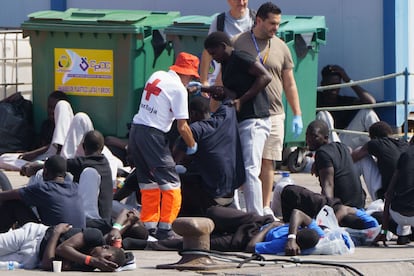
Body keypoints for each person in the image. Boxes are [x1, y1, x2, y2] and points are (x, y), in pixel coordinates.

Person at [232, 2, 303, 218]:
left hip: (274, 114)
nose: (276, 28)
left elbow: (289, 83)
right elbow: (223, 74)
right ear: (259, 20)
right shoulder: (239, 42)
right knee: (247, 162)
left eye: (278, 24)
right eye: (272, 23)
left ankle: (264, 207)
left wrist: (297, 113)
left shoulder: (281, 46)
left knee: (268, 161)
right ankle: (245, 207)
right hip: (248, 113)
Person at [128, 52, 199, 240]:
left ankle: (149, 228)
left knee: (148, 182)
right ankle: (167, 229)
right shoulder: (179, 89)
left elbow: (163, 96)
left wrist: (185, 91)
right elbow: (182, 126)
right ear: (188, 74)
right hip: (153, 135)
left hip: (136, 131)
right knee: (172, 185)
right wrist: (192, 145)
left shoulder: (157, 75)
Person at [203, 31, 272, 215]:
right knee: (236, 168)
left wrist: (242, 100)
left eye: (214, 52)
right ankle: (236, 210)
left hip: (255, 120)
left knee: (250, 169)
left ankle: (256, 216)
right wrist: (216, 91)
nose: (213, 57)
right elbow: (233, 92)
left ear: (224, 46)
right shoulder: (225, 65)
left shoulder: (240, 57)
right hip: (241, 121)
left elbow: (265, 76)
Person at [21, 130, 114, 227]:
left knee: (40, 174)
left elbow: (56, 165)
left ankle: (31, 214)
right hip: (104, 219)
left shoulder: (84, 164)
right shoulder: (105, 163)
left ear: (83, 146)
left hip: (90, 220)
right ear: (102, 148)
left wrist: (33, 166)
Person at [173, 96, 245, 216]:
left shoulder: (194, 130)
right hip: (231, 194)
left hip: (212, 197)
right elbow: (229, 99)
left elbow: (174, 161)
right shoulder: (225, 120)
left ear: (192, 113)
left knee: (172, 178)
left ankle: (183, 217)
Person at [0, 155, 85, 231]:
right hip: (78, 239)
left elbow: (7, 195)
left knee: (14, 203)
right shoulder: (76, 187)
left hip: (54, 240)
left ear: (45, 172)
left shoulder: (44, 189)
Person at [306, 120, 366, 209]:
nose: (308, 140)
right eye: (307, 135)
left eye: (314, 136)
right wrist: (317, 163)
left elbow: (328, 184)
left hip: (343, 207)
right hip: (359, 204)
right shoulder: (341, 146)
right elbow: (348, 150)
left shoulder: (322, 153)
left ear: (326, 138)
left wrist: (328, 211)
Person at [316, 64, 380, 149]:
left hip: (343, 142)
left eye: (337, 84)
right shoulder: (316, 97)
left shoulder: (344, 101)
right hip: (325, 145)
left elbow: (371, 102)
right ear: (323, 84)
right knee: (324, 114)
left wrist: (348, 80)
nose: (334, 88)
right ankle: (337, 153)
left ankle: (385, 147)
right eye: (331, 84)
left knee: (367, 112)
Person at [199, 0, 255, 87]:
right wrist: (204, 80)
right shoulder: (219, 22)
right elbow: (208, 51)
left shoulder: (255, 19)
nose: (241, 2)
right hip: (226, 79)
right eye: (237, 0)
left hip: (251, 77)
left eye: (244, 0)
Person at [352, 121, 409, 201]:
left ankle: (350, 194)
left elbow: (354, 157)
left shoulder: (375, 143)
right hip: (407, 196)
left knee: (362, 157)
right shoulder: (405, 144)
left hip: (386, 198)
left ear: (374, 138)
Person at [375, 145, 414, 246]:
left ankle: (403, 235)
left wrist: (384, 231)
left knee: (405, 196)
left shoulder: (405, 155)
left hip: (398, 214)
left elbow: (388, 194)